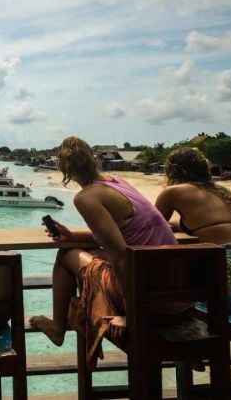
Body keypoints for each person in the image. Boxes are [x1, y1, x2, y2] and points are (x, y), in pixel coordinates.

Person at [29, 136, 182, 369]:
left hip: (149, 298)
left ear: (64, 168)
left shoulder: (86, 197)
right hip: (177, 292)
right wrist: (73, 236)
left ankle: (58, 328)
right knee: (82, 249)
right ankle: (65, 323)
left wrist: (131, 315)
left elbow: (121, 254)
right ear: (93, 159)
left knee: (65, 256)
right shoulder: (117, 182)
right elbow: (116, 234)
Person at [155, 146, 231, 316]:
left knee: (180, 301)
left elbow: (153, 224)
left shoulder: (171, 192)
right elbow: (205, 223)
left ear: (171, 170)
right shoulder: (221, 190)